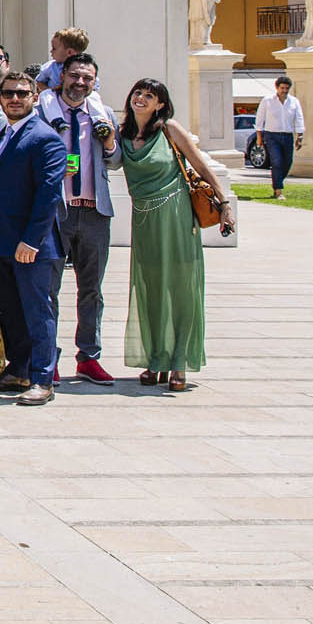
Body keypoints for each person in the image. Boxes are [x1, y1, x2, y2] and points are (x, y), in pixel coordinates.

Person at [115, 78, 229, 390]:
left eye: (149, 96)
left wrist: (225, 203)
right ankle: (157, 358)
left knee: (180, 289)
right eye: (137, 92)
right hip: (144, 220)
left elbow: (201, 167)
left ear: (160, 104)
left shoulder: (169, 129)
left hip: (177, 216)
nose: (140, 98)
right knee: (150, 289)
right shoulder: (121, 135)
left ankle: (179, 362)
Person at [0, 73, 67, 406]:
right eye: (8, 94)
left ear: (35, 96)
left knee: (37, 312)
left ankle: (43, 378)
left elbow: (48, 195)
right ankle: (18, 368)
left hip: (32, 245)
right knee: (10, 311)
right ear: (0, 99)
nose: (15, 99)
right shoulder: (3, 133)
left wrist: (31, 241)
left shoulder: (45, 138)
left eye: (22, 93)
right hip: (2, 242)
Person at [37, 52, 119, 384]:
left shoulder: (102, 114)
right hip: (58, 212)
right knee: (48, 290)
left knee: (91, 291)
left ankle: (89, 357)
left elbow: (114, 162)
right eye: (75, 76)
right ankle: (48, 357)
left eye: (87, 78)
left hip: (94, 211)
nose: (80, 82)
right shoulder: (43, 111)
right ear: (62, 77)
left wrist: (111, 142)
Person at [256, 75, 303, 199]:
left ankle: (277, 182)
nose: (284, 91)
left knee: (288, 162)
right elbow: (260, 118)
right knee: (277, 162)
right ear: (277, 87)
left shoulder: (294, 102)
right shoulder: (267, 100)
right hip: (271, 135)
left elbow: (299, 118)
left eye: (287, 88)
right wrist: (259, 137)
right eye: (282, 88)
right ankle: (278, 190)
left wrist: (300, 136)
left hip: (288, 135)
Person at [36, 26, 88, 91]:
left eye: (54, 48)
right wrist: (51, 91)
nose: (51, 51)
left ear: (69, 52)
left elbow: (93, 88)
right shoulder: (51, 67)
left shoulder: (86, 69)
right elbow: (39, 82)